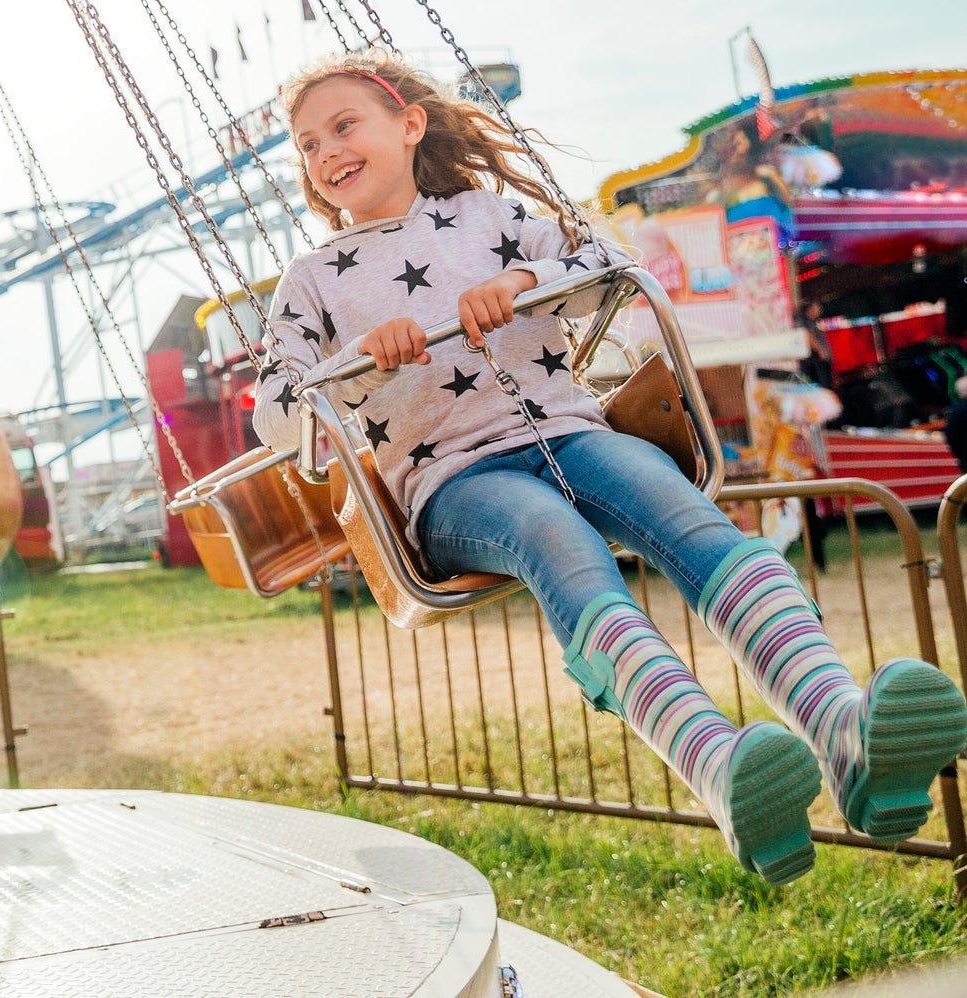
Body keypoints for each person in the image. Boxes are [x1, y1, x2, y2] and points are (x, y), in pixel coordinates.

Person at [251, 53, 967, 884]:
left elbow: (604, 265)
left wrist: (522, 280)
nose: (325, 152)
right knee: (555, 540)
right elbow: (276, 413)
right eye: (306, 145)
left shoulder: (490, 216)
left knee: (691, 523)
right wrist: (357, 366)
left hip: (572, 432)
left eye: (343, 126)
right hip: (453, 484)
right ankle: (718, 768)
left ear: (408, 125)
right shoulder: (309, 281)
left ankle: (846, 735)